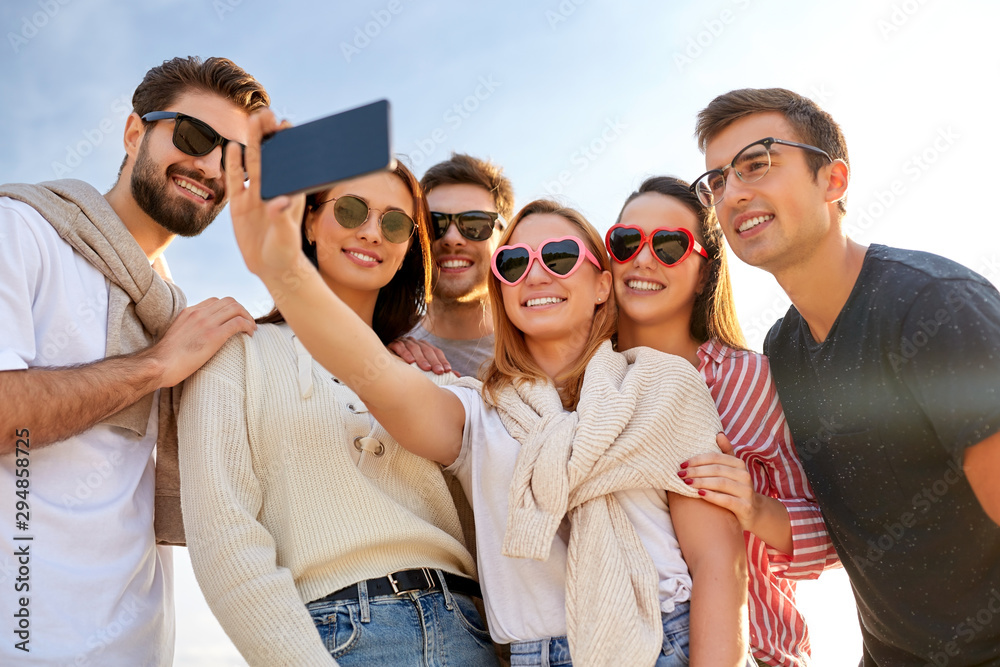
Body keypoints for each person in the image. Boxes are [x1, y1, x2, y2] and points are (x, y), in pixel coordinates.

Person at [227, 108, 752, 667]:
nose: (536, 274)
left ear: (603, 284)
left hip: (665, 644)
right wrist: (283, 269)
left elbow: (720, 570)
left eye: (559, 257)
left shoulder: (662, 385)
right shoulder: (477, 410)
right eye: (514, 263)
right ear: (499, 288)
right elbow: (371, 373)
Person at [693, 87, 1000, 666]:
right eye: (716, 180)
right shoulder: (783, 348)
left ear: (832, 182)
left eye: (756, 163)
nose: (732, 193)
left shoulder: (931, 306)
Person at [178, 160, 498, 667]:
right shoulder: (235, 354)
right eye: (351, 211)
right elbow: (226, 539)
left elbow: (492, 532)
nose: (372, 232)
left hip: (466, 630)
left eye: (395, 223)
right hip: (335, 636)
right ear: (309, 222)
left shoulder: (434, 379)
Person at [0, 56, 265, 665]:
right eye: (195, 137)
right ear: (133, 132)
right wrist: (154, 367)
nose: (208, 166)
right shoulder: (26, 231)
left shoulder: (175, 314)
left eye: (234, 158)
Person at [607, 176, 840, 667]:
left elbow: (837, 536)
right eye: (626, 242)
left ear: (704, 270)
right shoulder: (587, 382)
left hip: (755, 650)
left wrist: (755, 508)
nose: (643, 259)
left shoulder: (750, 380)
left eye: (669, 245)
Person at [391, 153, 514, 377]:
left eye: (475, 223)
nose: (452, 238)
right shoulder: (387, 352)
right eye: (434, 223)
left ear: (504, 239)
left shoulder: (537, 352)